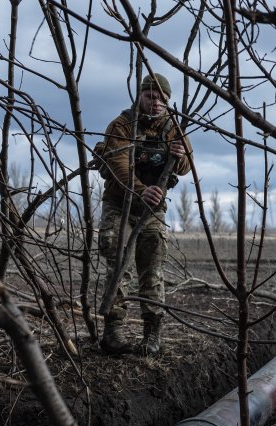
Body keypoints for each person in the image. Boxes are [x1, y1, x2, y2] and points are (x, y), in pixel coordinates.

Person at [96, 73, 192, 355]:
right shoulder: (122, 125)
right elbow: (118, 165)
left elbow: (186, 166)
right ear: (141, 95)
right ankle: (113, 334)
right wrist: (140, 190)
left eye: (162, 99)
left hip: (153, 211)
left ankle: (152, 336)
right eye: (151, 96)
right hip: (120, 205)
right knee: (118, 268)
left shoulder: (173, 128)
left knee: (153, 271)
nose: (156, 103)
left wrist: (180, 153)